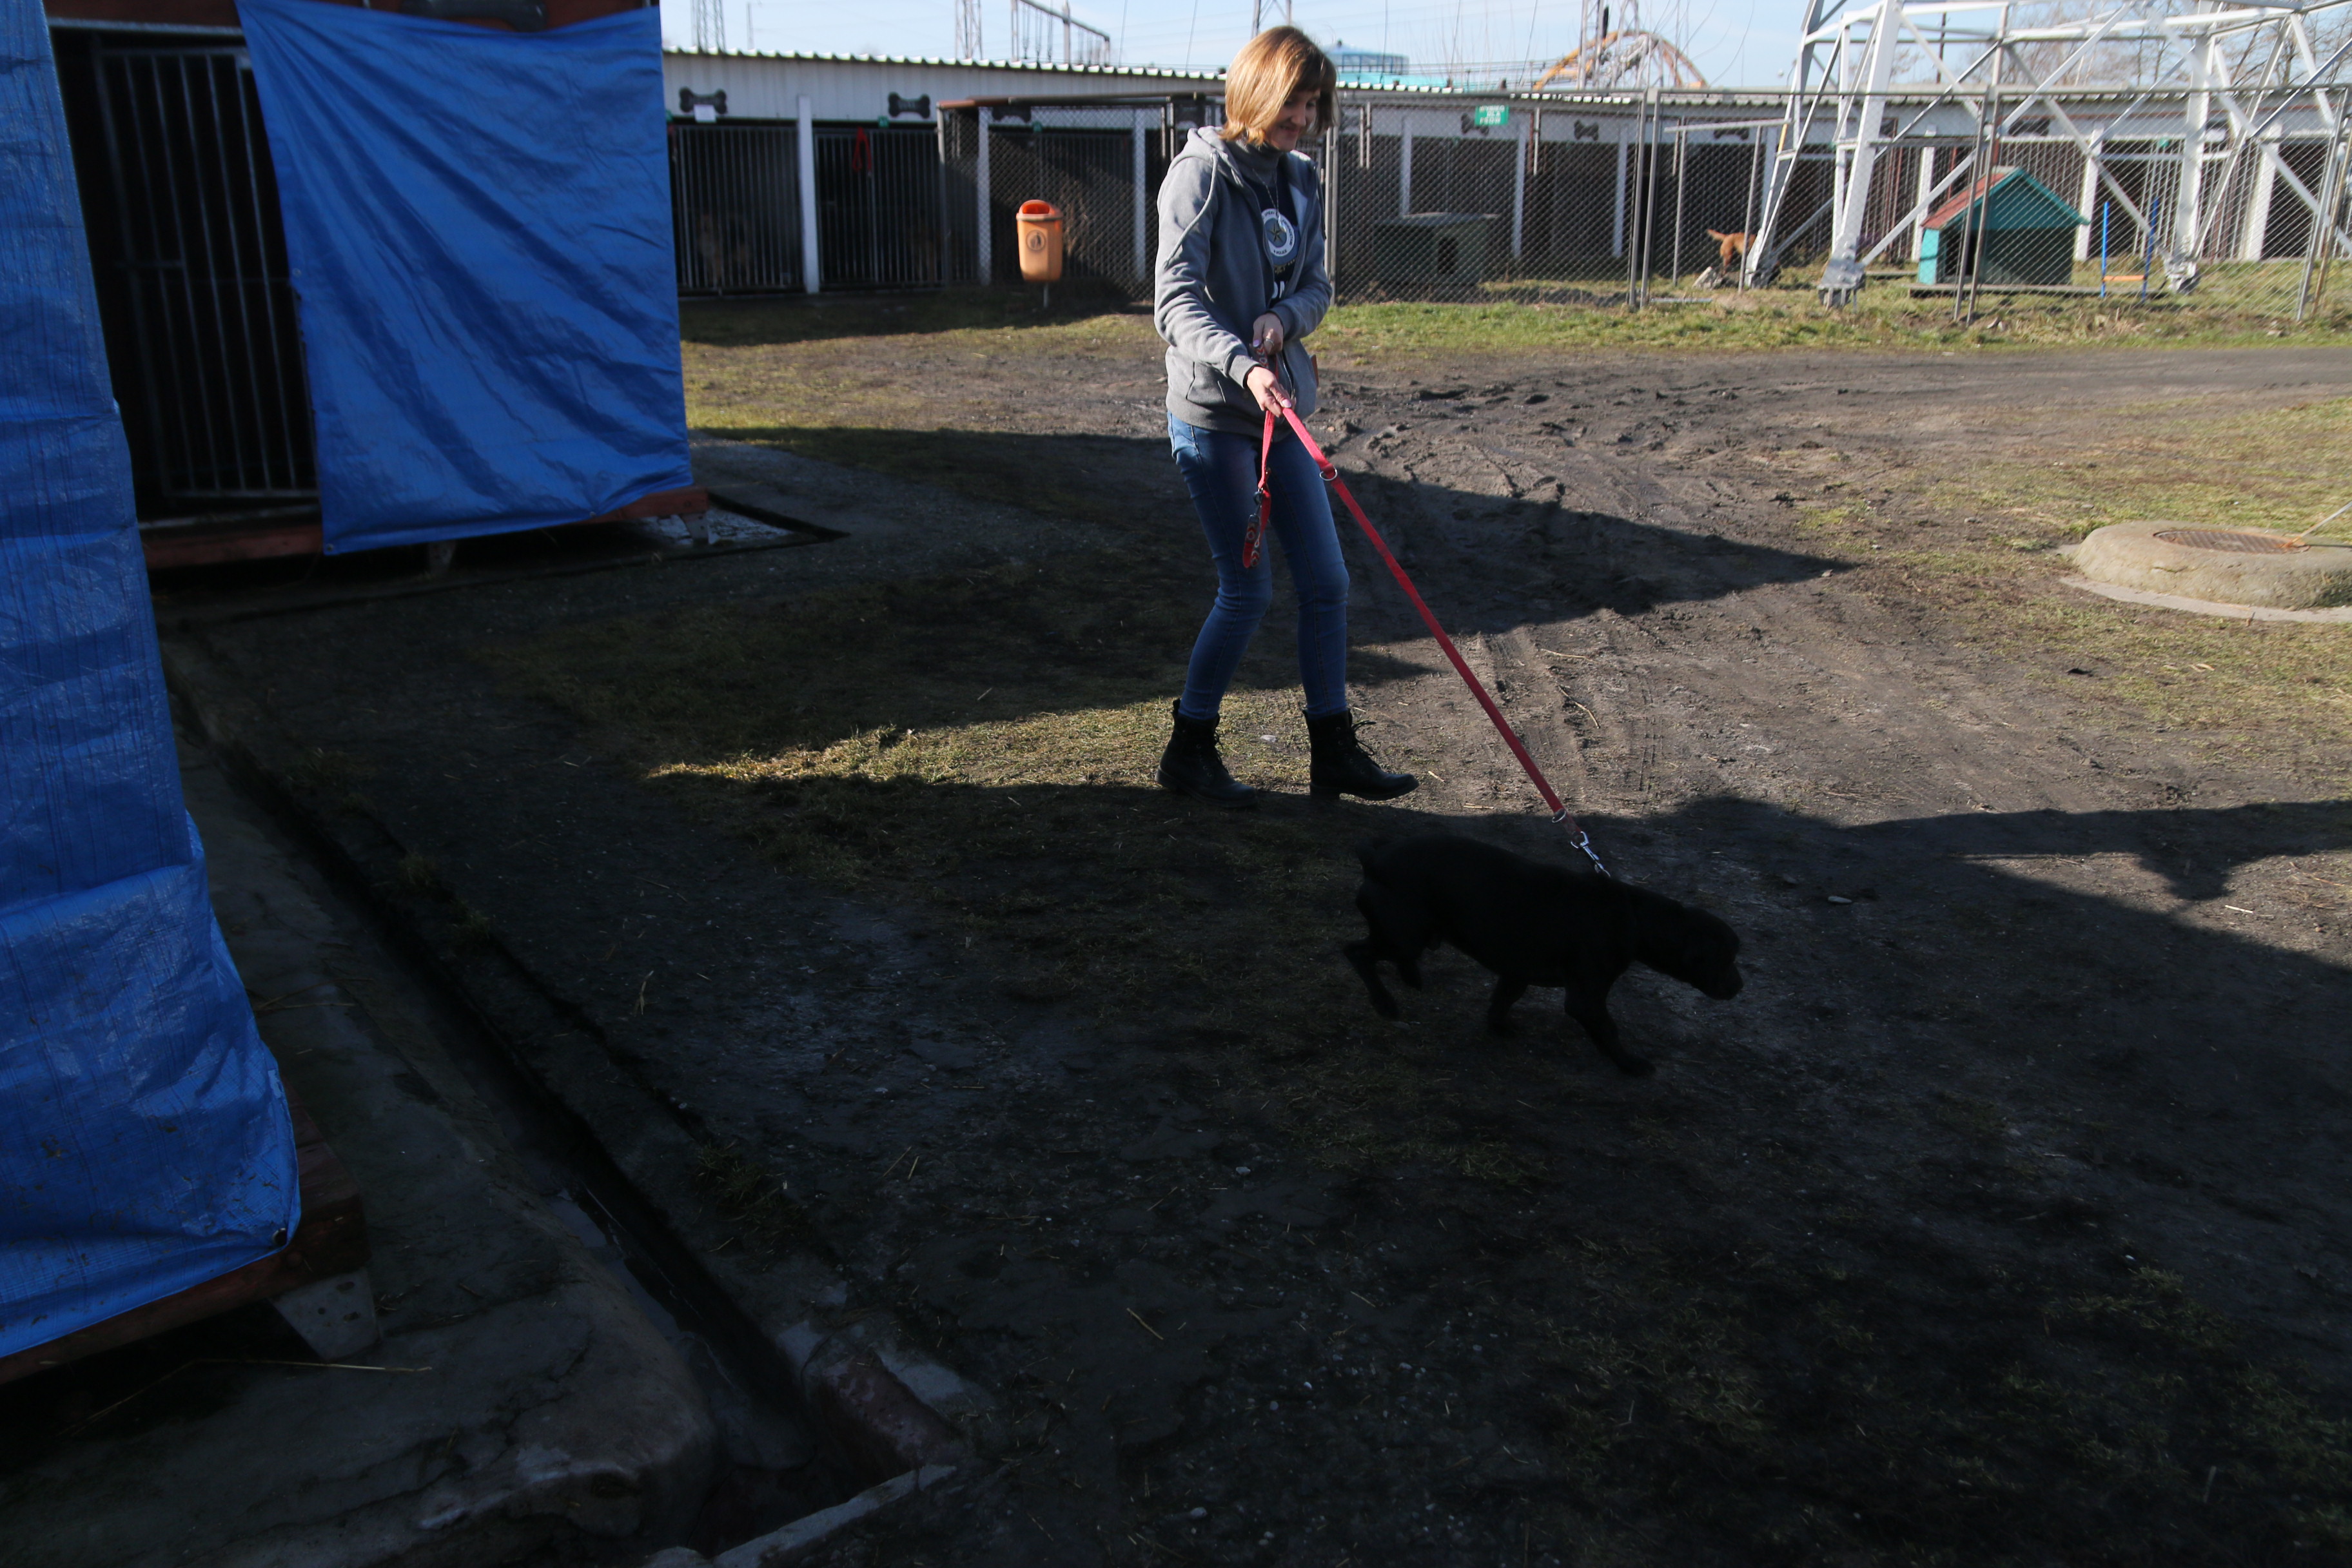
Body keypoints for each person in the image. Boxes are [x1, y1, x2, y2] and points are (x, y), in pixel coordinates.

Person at [1151, 26, 1416, 811]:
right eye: (1292, 101)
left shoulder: (1301, 179)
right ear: (1255, 91)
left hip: (1282, 411)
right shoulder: (1199, 175)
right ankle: (1189, 748)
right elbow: (1174, 302)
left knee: (1329, 580)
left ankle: (1333, 751)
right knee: (1248, 591)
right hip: (1216, 413)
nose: (1302, 118)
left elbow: (1317, 287)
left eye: (1312, 104)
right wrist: (1244, 362)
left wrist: (1283, 319)